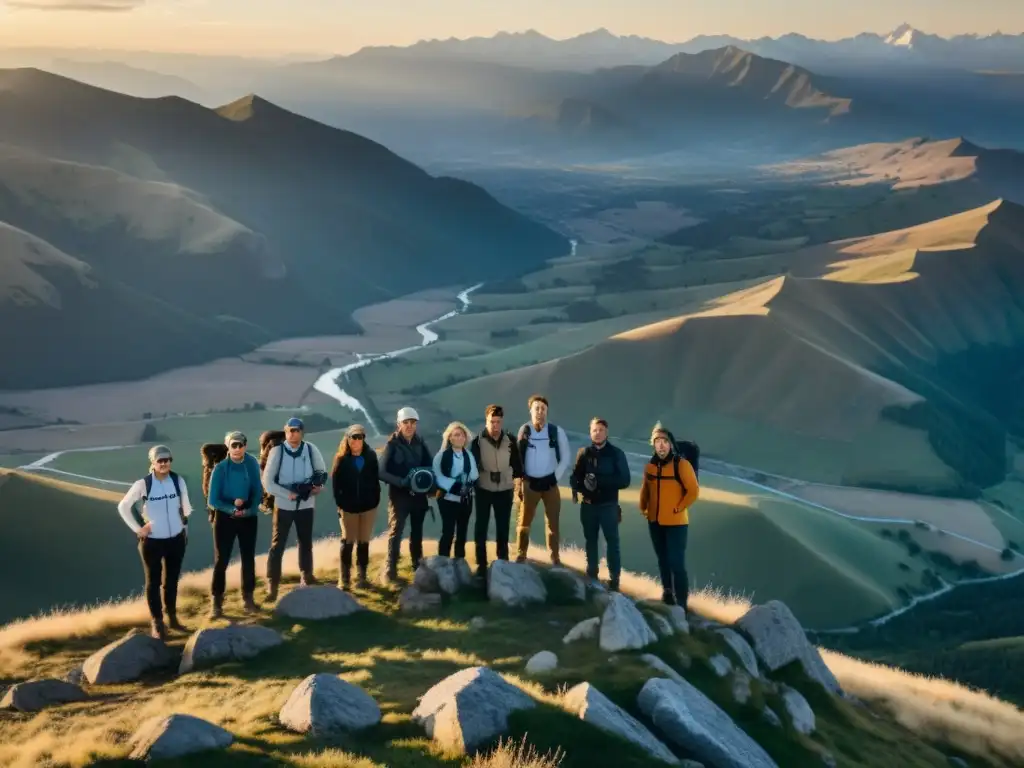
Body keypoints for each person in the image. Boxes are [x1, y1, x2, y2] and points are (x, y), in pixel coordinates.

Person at [116, 445, 193, 640]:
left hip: (176, 538)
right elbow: (123, 506)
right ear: (152, 462)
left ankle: (173, 619)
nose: (164, 463)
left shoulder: (178, 480)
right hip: (152, 541)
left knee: (172, 580)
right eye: (160, 460)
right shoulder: (143, 484)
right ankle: (157, 623)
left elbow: (185, 509)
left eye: (167, 459)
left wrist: (185, 530)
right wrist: (138, 529)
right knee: (153, 582)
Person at [262, 417, 328, 600]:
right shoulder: (277, 452)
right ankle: (272, 585)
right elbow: (267, 482)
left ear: (302, 432)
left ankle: (307, 576)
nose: (293, 434)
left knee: (305, 542)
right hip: (283, 506)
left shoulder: (310, 449)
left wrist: (317, 487)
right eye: (290, 430)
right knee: (278, 545)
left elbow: (321, 473)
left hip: (306, 504)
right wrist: (286, 494)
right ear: (285, 431)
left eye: (297, 430)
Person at [639, 422, 700, 607]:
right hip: (655, 520)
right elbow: (646, 490)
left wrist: (679, 507)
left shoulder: (682, 465)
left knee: (676, 563)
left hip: (676, 522)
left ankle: (682, 605)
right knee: (663, 559)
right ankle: (667, 594)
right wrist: (643, 508)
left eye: (664, 441)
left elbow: (693, 491)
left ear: (671, 443)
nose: (661, 445)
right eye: (657, 441)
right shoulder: (650, 466)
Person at [569, 417, 631, 591]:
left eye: (601, 430)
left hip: (608, 506)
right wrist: (581, 486)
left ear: (606, 432)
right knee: (590, 541)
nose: (597, 433)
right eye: (594, 430)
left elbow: (625, 480)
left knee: (612, 542)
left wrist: (599, 481)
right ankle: (592, 574)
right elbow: (575, 477)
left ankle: (614, 580)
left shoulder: (616, 454)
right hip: (588, 506)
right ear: (590, 432)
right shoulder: (583, 453)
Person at [206, 431, 263, 618]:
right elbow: (213, 499)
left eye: (240, 445)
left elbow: (257, 491)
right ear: (228, 447)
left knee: (248, 558)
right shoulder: (220, 468)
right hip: (225, 517)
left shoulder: (252, 463)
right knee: (222, 559)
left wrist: (249, 510)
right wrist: (232, 509)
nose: (237, 449)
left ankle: (248, 599)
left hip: (248, 516)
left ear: (245, 446)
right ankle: (217, 603)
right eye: (233, 445)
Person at [378, 406, 434, 583]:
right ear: (399, 424)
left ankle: (417, 567)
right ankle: (390, 570)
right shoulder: (392, 445)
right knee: (396, 531)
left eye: (412, 422)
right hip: (399, 496)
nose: (409, 426)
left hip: (419, 496)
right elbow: (381, 472)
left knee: (417, 532)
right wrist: (401, 482)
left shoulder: (420, 443)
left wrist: (430, 487)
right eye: (406, 422)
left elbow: (430, 466)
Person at [515, 394, 570, 565]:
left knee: (553, 522)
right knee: (524, 520)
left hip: (550, 484)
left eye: (543, 409)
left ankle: (555, 557)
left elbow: (566, 456)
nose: (540, 412)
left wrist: (555, 477)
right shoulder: (524, 430)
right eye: (537, 408)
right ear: (530, 411)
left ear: (547, 411)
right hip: (529, 483)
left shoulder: (556, 431)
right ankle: (521, 554)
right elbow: (517, 457)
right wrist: (520, 482)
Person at [469, 404, 523, 578]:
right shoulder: (477, 442)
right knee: (481, 527)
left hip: (505, 490)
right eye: (492, 422)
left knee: (503, 527)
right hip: (484, 488)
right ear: (486, 421)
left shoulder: (511, 440)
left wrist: (517, 483)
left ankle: (503, 561)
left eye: (498, 422)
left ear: (502, 421)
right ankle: (481, 565)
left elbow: (518, 466)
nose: (495, 426)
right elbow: (473, 467)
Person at [331, 423, 381, 590]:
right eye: (353, 437)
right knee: (348, 542)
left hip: (368, 507)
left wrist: (374, 501)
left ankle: (362, 578)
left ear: (363, 439)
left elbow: (375, 481)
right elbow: (336, 486)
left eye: (360, 437)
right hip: (348, 509)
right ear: (348, 439)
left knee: (364, 542)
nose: (356, 440)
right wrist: (342, 504)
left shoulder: (371, 457)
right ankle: (344, 579)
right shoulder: (341, 460)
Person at [432, 421, 479, 562]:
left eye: (462, 435)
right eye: (456, 435)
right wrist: (457, 487)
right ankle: (442, 562)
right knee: (448, 532)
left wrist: (469, 486)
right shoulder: (441, 456)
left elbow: (474, 474)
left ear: (466, 438)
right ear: (450, 438)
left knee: (462, 532)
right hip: (447, 499)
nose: (459, 438)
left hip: (465, 500)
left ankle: (460, 562)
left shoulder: (468, 455)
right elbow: (438, 476)